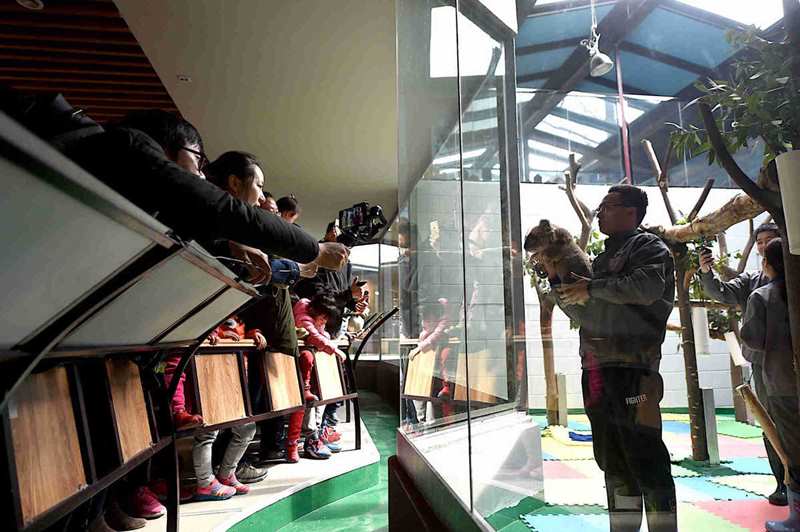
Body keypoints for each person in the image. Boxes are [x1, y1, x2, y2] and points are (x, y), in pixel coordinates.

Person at [0, 93, 348, 271]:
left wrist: (229, 242)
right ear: (169, 146)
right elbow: (216, 207)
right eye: (197, 161)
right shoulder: (130, 146)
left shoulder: (119, 164)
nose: (198, 174)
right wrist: (314, 249)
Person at [549, 185, 677, 531]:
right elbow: (581, 313)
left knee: (644, 453)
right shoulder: (600, 261)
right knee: (611, 457)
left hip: (635, 370)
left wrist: (590, 288)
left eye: (606, 206)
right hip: (595, 368)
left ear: (631, 212)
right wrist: (555, 278)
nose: (599, 213)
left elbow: (645, 288)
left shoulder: (651, 248)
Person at [698, 222, 787, 505]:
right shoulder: (753, 282)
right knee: (771, 423)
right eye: (759, 241)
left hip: (782, 363)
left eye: (769, 240)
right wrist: (705, 271)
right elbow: (721, 293)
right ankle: (783, 482)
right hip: (766, 366)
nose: (762, 246)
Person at [740, 238, 800, 531]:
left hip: (782, 382)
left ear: (767, 264)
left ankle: (796, 517)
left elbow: (751, 340)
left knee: (792, 450)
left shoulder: (762, 296)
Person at [286, 294, 346, 462]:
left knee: (316, 403)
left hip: (313, 376)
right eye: (324, 317)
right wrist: (334, 349)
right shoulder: (304, 316)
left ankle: (315, 437)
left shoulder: (312, 316)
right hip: (297, 370)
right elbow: (314, 336)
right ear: (316, 311)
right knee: (304, 405)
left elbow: (321, 334)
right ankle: (302, 442)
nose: (324, 321)